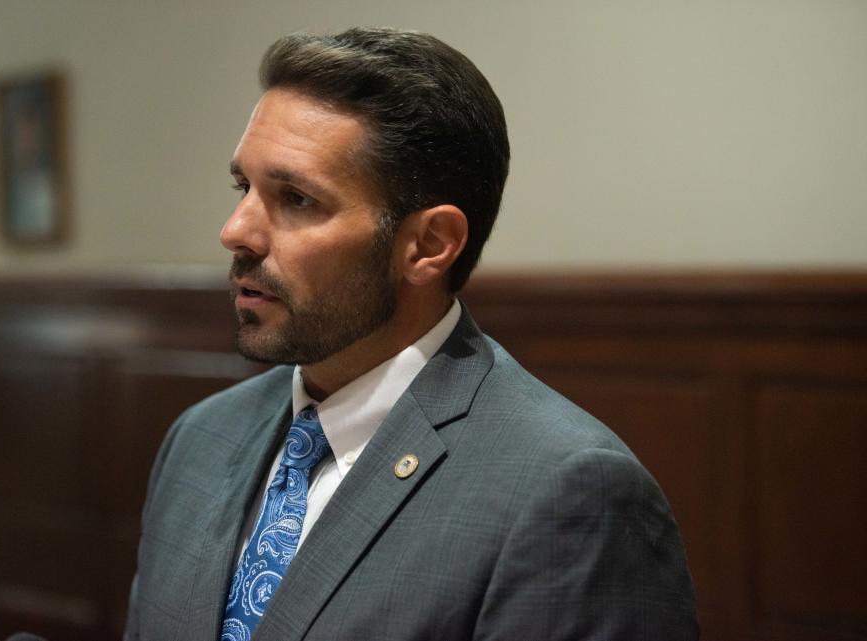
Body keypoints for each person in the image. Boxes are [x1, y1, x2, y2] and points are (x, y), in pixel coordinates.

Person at [124, 27, 699, 641]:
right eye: (244, 188)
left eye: (295, 199)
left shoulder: (568, 492)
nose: (236, 230)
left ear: (428, 245)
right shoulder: (201, 437)